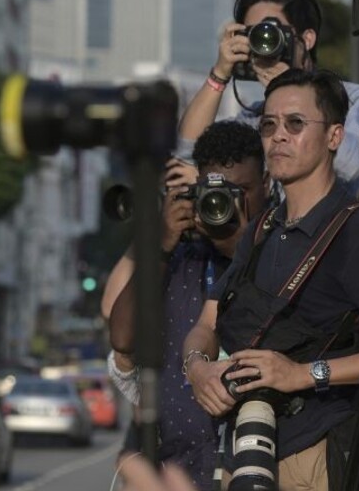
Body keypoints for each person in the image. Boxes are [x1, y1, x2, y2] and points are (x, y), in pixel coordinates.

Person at [181, 68, 359, 491]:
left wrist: (304, 374)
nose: (278, 136)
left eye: (295, 123)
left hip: (319, 448)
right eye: (269, 124)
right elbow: (206, 325)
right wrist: (198, 370)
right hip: (247, 447)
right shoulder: (261, 228)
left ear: (335, 137)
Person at [108, 121, 270, 489]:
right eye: (214, 193)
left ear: (267, 186)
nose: (226, 204)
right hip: (180, 470)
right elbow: (122, 337)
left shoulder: (282, 249)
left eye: (241, 190)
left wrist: (239, 247)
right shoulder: (181, 256)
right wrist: (163, 241)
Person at [177, 0, 359, 198]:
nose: (263, 44)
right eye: (254, 35)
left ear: (307, 40)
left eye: (272, 32)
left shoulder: (354, 100)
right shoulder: (254, 118)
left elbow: (355, 166)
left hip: (339, 229)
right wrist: (219, 74)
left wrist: (289, 91)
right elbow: (189, 152)